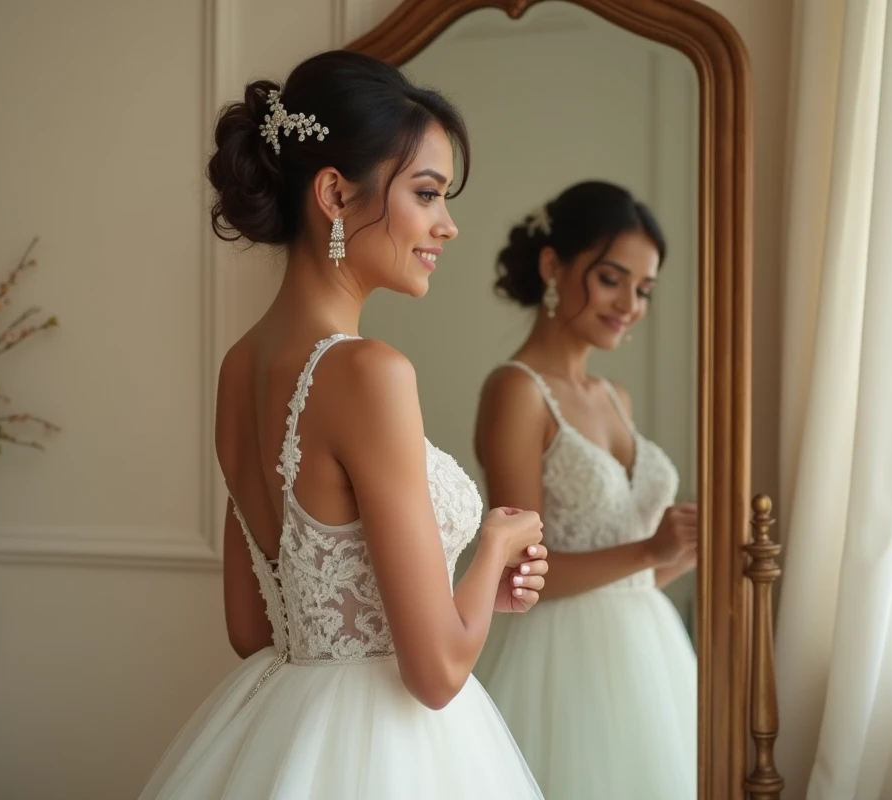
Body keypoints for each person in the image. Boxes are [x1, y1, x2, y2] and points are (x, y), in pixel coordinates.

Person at [139, 50, 547, 799]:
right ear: (333, 192)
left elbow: (252, 631)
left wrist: (463, 596)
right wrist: (493, 544)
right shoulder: (368, 373)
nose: (448, 226)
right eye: (427, 193)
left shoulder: (239, 366)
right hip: (391, 749)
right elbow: (437, 674)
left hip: (285, 730)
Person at [471, 180, 698, 799]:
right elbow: (520, 574)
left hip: (649, 659)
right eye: (611, 279)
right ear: (553, 266)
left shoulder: (615, 397)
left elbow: (622, 580)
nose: (630, 304)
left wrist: (679, 555)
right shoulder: (517, 391)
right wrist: (650, 550)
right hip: (557, 669)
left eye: (644, 289)